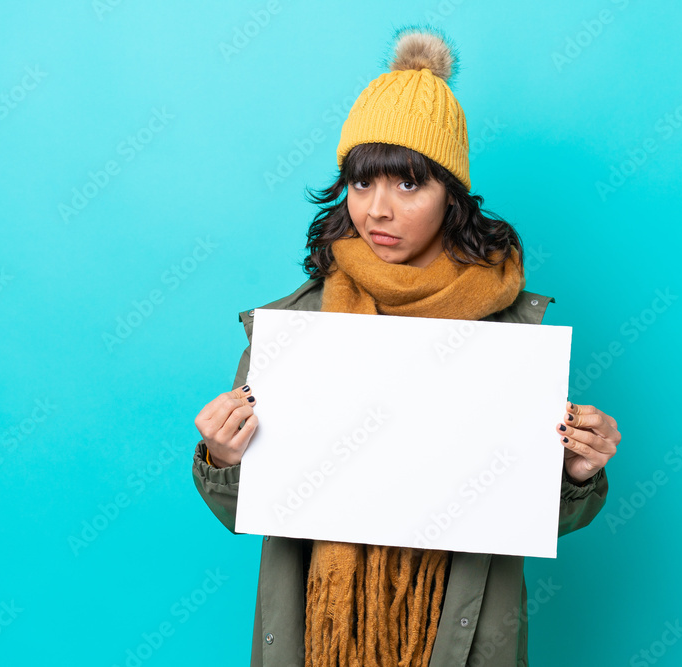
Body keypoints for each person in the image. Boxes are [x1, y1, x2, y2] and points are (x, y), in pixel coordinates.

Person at [191, 24, 620, 667]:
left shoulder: (509, 336)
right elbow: (250, 510)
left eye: (409, 184)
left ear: (452, 196)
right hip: (319, 632)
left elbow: (526, 519)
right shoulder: (297, 327)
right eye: (362, 184)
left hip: (458, 632)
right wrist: (224, 458)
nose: (378, 211)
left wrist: (576, 472)